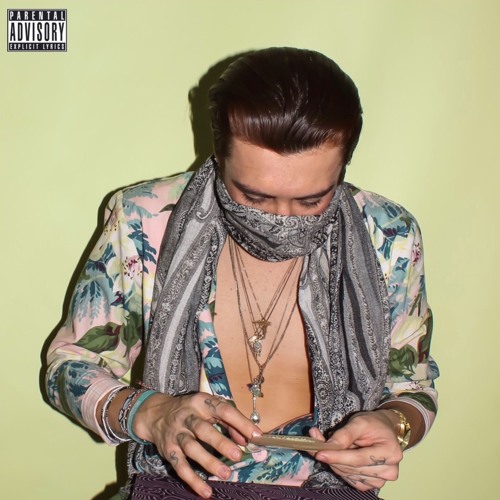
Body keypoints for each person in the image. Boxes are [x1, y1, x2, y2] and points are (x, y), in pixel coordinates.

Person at [45, 47, 438, 500]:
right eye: (253, 197)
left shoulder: (389, 235)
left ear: (343, 167)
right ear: (218, 155)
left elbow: (413, 386)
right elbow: (70, 366)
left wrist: (393, 423)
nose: (282, 219)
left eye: (312, 200)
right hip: (173, 488)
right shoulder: (145, 219)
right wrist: (150, 413)